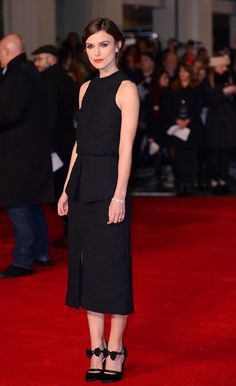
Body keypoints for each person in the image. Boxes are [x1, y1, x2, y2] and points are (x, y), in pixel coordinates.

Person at [58, 18, 139, 383]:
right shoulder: (85, 88)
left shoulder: (126, 88)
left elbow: (125, 149)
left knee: (113, 266)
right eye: (91, 46)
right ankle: (96, 346)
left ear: (118, 46)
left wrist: (119, 195)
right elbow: (79, 143)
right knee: (86, 265)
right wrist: (65, 189)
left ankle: (117, 347)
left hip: (109, 182)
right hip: (81, 183)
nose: (97, 53)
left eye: (104, 45)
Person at [0, 34, 54, 278]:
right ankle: (40, 252)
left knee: (18, 204)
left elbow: (9, 113)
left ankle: (23, 260)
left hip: (18, 153)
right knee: (31, 204)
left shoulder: (18, 73)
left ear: (7, 50)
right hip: (32, 150)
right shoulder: (29, 71)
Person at [32, 44, 77, 247]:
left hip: (55, 146)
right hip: (68, 142)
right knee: (65, 189)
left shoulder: (49, 82)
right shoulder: (66, 79)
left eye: (40, 59)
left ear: (52, 59)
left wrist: (45, 145)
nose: (36, 63)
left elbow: (50, 116)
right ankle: (72, 232)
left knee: (56, 191)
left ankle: (73, 232)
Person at [168, 63, 204, 195]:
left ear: (190, 73)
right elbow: (169, 106)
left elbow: (198, 106)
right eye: (181, 71)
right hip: (177, 127)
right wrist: (177, 119)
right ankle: (181, 182)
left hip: (193, 127)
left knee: (192, 157)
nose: (183, 74)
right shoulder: (173, 87)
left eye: (185, 71)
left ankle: (190, 183)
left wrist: (188, 120)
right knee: (179, 157)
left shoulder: (197, 87)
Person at [205, 53, 236, 194]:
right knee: (215, 152)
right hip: (215, 122)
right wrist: (224, 92)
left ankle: (223, 179)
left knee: (225, 152)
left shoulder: (228, 78)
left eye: (225, 65)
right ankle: (213, 180)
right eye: (222, 65)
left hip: (228, 121)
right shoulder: (208, 81)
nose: (225, 68)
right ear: (215, 66)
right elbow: (209, 101)